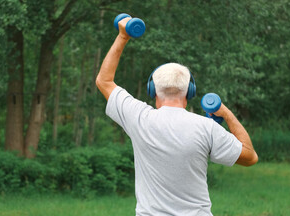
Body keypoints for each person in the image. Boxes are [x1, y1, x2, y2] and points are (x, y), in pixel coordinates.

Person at [96, 17, 258, 216]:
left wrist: (123, 36)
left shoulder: (139, 118)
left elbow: (104, 81)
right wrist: (225, 112)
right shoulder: (206, 127)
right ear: (189, 92)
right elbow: (250, 156)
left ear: (152, 90)